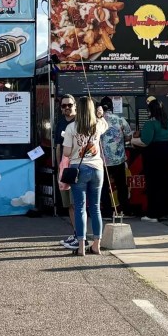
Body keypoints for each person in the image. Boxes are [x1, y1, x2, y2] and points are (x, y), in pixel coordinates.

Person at [62, 96, 109, 255]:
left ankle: (81, 246)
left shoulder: (71, 128)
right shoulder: (98, 125)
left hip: (79, 169)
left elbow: (67, 152)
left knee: (80, 208)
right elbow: (105, 124)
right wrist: (100, 115)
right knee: (95, 207)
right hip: (97, 169)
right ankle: (97, 244)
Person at [132, 97, 168, 222]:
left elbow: (145, 141)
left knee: (154, 184)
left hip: (155, 155)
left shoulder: (150, 123)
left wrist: (131, 140)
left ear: (151, 110)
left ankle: (153, 214)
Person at [98, 96, 132, 218]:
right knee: (122, 186)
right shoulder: (120, 120)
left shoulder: (97, 121)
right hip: (119, 159)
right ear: (112, 107)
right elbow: (129, 137)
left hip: (103, 161)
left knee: (104, 187)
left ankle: (106, 212)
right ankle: (126, 211)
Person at [53, 94, 76, 232]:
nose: (67, 108)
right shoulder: (60, 123)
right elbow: (58, 147)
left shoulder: (81, 121)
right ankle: (76, 234)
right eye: (64, 105)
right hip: (65, 168)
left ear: (75, 106)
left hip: (80, 166)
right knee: (69, 204)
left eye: (70, 105)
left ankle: (82, 237)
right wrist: (59, 168)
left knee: (78, 203)